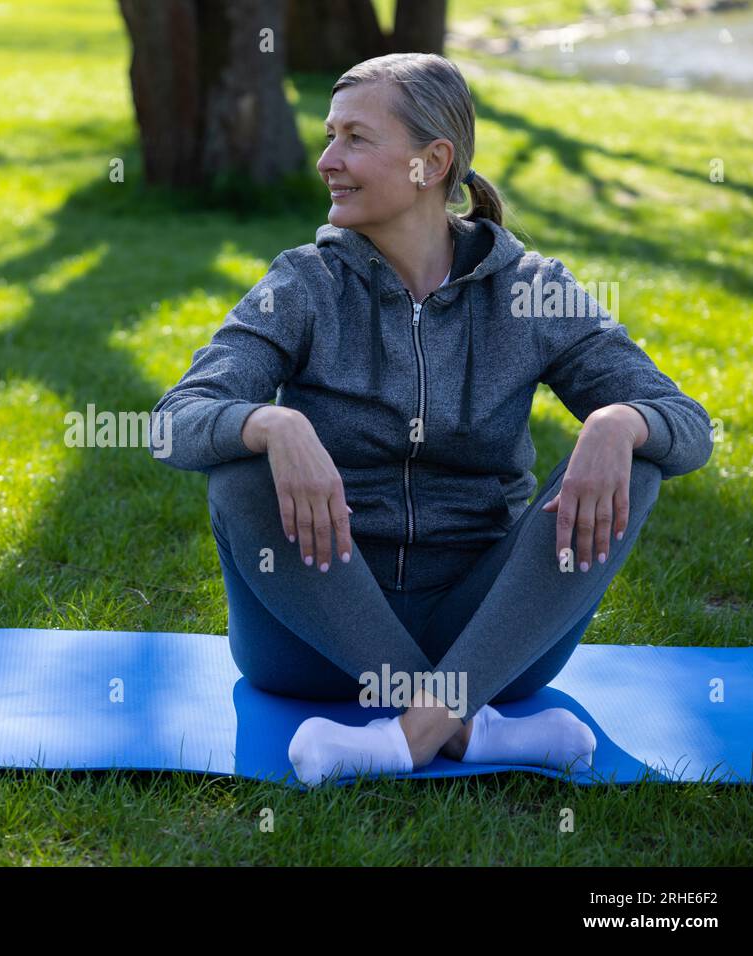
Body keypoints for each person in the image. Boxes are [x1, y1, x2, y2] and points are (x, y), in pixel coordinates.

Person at [148, 53, 715, 787]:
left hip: (487, 637)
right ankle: (463, 728)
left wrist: (617, 422)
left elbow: (687, 425)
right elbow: (174, 423)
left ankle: (414, 734)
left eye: (355, 138)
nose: (326, 160)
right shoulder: (303, 285)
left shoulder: (531, 291)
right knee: (241, 464)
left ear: (431, 162)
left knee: (633, 458)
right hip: (313, 642)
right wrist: (273, 427)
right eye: (329, 136)